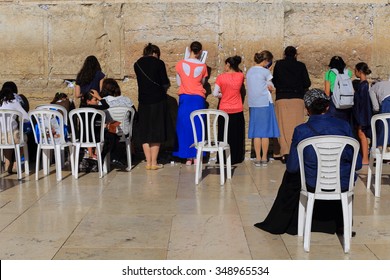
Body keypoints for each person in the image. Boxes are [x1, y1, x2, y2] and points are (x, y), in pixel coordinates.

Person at [254, 88, 362, 235]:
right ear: (327, 106)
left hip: (313, 183)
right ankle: (339, 225)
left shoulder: (301, 131)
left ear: (306, 109)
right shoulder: (344, 127)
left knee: (291, 177)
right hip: (342, 183)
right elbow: (358, 164)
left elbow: (292, 167)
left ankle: (286, 222)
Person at [134, 43, 170, 170]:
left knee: (145, 131)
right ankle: (154, 162)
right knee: (157, 131)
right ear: (155, 53)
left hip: (143, 101)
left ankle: (148, 162)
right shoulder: (159, 63)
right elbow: (165, 82)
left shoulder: (137, 64)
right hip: (158, 101)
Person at [272, 46, 311, 163]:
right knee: (296, 126)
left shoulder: (278, 65)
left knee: (282, 127)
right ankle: (295, 151)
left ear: (284, 54)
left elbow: (275, 81)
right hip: (297, 99)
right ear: (295, 55)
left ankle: (284, 152)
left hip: (282, 98)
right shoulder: (301, 66)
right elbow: (307, 82)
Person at [173, 41, 208, 165]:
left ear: (189, 49)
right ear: (200, 52)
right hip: (198, 98)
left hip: (185, 97)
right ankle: (197, 155)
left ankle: (187, 157)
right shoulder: (203, 66)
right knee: (198, 126)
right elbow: (202, 82)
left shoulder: (180, 64)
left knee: (184, 126)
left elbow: (178, 82)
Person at [246, 50, 280, 167]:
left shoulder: (249, 71)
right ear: (266, 61)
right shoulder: (266, 72)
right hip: (265, 103)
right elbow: (272, 87)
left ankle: (257, 157)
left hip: (253, 104)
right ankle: (264, 157)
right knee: (264, 132)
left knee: (256, 132)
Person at [212, 55, 245, 165]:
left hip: (224, 109)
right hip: (237, 109)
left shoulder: (221, 77)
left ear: (228, 64)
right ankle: (236, 157)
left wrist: (223, 95)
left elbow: (215, 93)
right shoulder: (240, 76)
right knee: (236, 135)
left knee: (223, 134)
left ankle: (222, 157)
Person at [0, 87, 30, 174]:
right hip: (13, 135)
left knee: (6, 142)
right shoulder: (14, 102)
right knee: (23, 138)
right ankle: (16, 164)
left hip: (0, 137)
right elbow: (26, 118)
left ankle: (7, 163)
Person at [353, 62, 372, 164]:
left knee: (362, 135)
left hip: (362, 114)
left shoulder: (363, 85)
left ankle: (365, 158)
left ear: (359, 71)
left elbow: (363, 103)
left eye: (355, 70)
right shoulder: (362, 85)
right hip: (361, 114)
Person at [324, 56, 353, 124]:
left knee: (334, 123)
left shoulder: (329, 73)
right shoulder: (348, 72)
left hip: (334, 101)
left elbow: (327, 92)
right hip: (347, 101)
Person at [369, 79, 390, 146]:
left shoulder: (372, 89)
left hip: (387, 102)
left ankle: (381, 149)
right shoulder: (387, 83)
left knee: (384, 127)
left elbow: (376, 107)